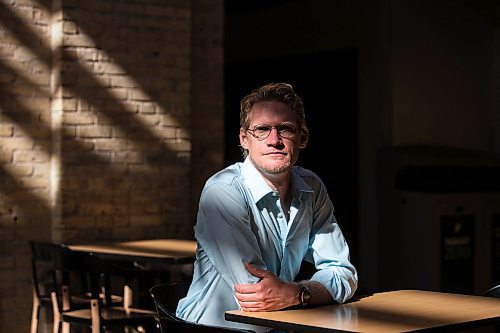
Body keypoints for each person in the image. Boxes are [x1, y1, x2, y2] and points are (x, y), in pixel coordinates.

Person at [176, 82, 358, 332]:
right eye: (262, 130)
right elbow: (257, 295)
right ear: (244, 139)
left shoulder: (311, 188)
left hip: (283, 325)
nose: (274, 140)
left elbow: (343, 273)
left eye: (285, 129)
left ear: (302, 138)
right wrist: (308, 293)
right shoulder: (222, 190)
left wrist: (297, 294)